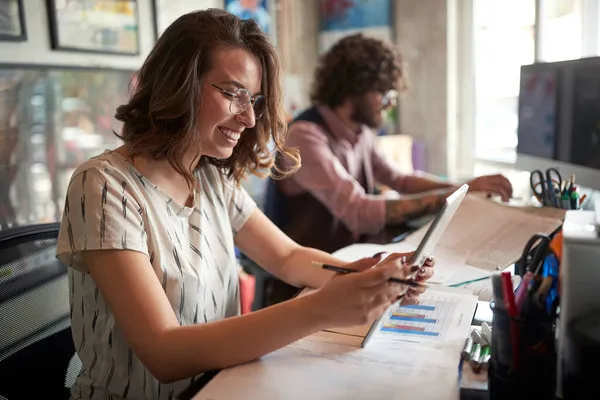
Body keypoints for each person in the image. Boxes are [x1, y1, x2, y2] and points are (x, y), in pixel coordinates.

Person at [55, 10, 435, 400]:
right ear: (178, 83)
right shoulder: (102, 184)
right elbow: (163, 352)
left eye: (253, 100)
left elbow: (288, 257)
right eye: (233, 93)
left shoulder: (209, 176)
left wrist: (361, 275)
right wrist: (323, 308)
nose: (250, 117)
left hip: (221, 388)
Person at [271, 33, 514, 253]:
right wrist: (454, 196)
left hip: (346, 261)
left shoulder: (360, 133)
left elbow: (401, 180)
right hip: (302, 281)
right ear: (355, 89)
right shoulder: (304, 136)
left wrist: (465, 187)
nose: (391, 103)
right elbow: (358, 212)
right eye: (385, 93)